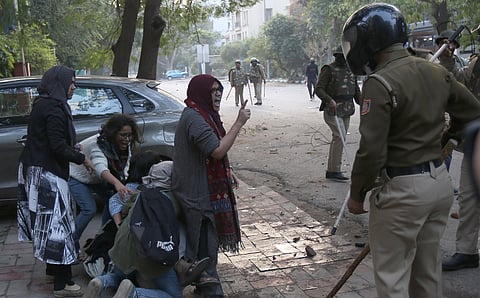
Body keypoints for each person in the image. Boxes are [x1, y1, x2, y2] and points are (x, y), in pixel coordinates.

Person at [343, 3, 480, 298]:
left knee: (392, 279)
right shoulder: (436, 71)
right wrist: (449, 139)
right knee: (428, 276)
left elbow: (371, 151)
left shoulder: (379, 83)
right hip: (438, 185)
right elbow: (472, 111)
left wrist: (357, 195)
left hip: (402, 192)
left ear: (369, 41)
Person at [17, 65, 95, 297]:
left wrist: (73, 148)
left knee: (51, 225)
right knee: (59, 226)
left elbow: (54, 141)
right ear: (60, 83)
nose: (74, 86)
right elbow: (57, 146)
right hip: (46, 176)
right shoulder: (53, 108)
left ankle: (53, 268)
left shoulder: (45, 104)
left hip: (39, 170)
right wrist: (84, 160)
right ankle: (63, 284)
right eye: (71, 82)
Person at [172, 74, 251, 297]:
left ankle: (205, 287)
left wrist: (229, 171)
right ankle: (211, 291)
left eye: (219, 89)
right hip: (196, 194)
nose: (217, 94)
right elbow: (216, 150)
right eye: (213, 90)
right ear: (201, 92)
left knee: (205, 249)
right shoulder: (194, 117)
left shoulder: (205, 114)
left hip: (201, 189)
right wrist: (239, 122)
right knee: (206, 249)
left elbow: (214, 151)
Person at [83, 160, 189, 298]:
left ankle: (101, 282)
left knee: (117, 275)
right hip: (150, 254)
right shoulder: (173, 201)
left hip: (122, 248)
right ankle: (135, 294)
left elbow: (124, 209)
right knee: (175, 295)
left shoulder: (140, 192)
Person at [69, 113, 142, 257]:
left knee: (113, 200)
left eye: (129, 135)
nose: (127, 139)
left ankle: (102, 236)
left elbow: (124, 168)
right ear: (113, 133)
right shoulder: (98, 144)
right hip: (76, 175)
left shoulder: (123, 145)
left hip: (96, 178)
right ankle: (69, 244)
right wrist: (117, 183)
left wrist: (124, 184)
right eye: (123, 135)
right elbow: (100, 168)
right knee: (89, 209)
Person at [315, 46, 361, 181]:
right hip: (332, 109)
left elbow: (356, 90)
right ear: (337, 56)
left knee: (339, 138)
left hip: (347, 109)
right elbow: (319, 89)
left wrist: (364, 103)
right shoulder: (328, 69)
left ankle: (332, 170)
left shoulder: (352, 70)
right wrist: (329, 100)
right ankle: (335, 170)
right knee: (339, 136)